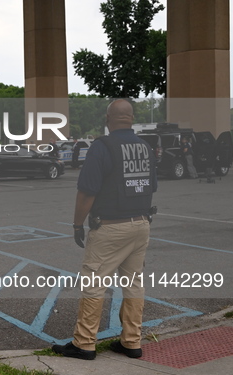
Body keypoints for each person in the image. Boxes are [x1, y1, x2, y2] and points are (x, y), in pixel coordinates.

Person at [52, 99, 157, 361]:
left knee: (94, 284)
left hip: (111, 226)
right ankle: (132, 341)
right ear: (131, 118)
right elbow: (150, 186)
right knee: (133, 284)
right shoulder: (145, 147)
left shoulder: (102, 146)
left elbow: (87, 190)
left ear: (108, 119)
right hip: (141, 224)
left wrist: (78, 223)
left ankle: (85, 343)